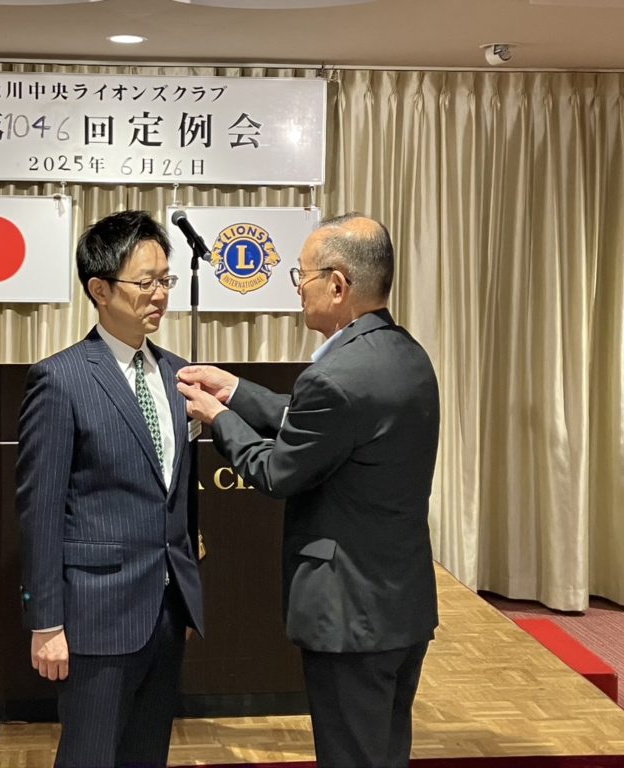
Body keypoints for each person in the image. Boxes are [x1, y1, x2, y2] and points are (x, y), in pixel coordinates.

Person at [177, 213, 439, 768]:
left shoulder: (336, 377)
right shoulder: (405, 354)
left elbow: (278, 472)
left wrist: (219, 419)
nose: (298, 289)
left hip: (350, 614)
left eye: (303, 276)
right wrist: (237, 390)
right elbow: (319, 423)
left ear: (337, 285)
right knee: (384, 751)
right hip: (399, 603)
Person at [16, 209, 204, 768]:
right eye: (145, 282)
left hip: (166, 609)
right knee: (90, 756)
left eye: (165, 280)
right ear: (100, 290)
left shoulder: (177, 374)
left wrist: (186, 587)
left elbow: (177, 492)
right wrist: (45, 622)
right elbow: (40, 510)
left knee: (147, 753)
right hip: (95, 615)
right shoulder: (61, 379)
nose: (160, 295)